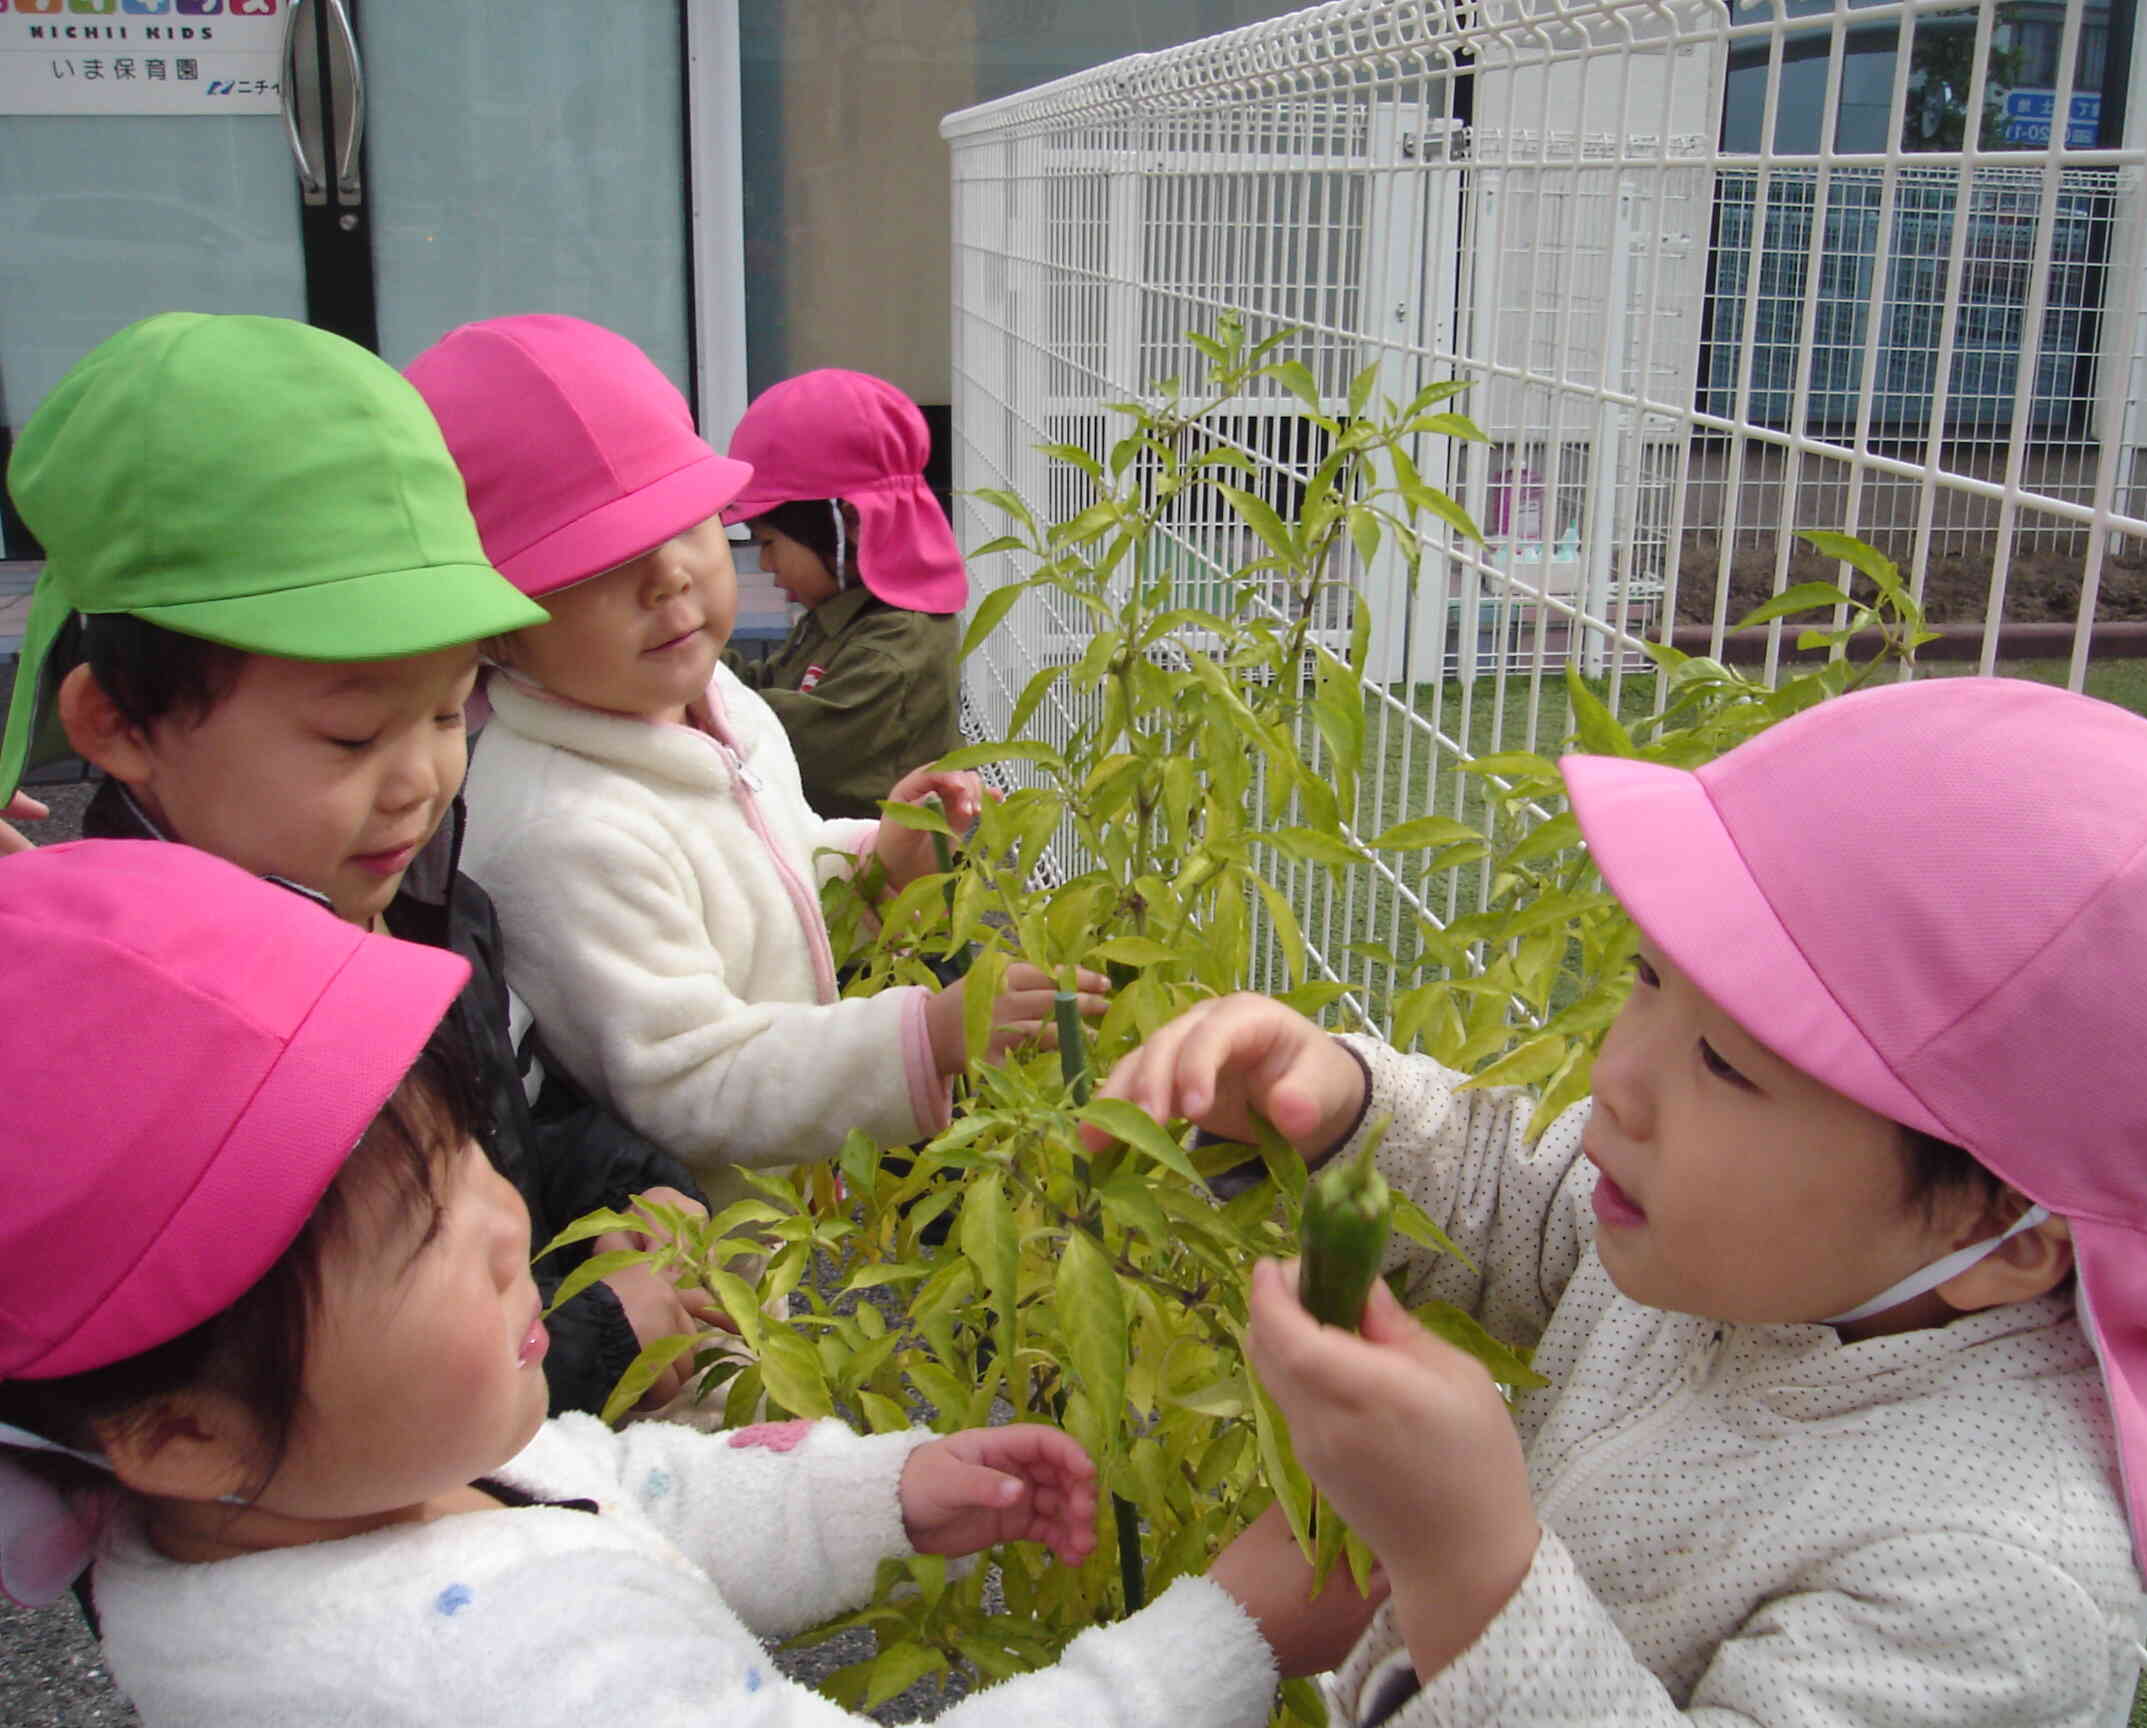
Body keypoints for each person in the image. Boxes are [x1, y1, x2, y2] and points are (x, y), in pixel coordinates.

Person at [1094, 676, 2147, 1726]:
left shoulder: (1989, 1581)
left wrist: (1470, 1571)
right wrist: (1338, 1106)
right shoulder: (1724, 1246)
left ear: (2003, 1232)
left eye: (1726, 1064)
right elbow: (1519, 1198)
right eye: (1646, 977)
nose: (1618, 1075)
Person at [0, 840, 1289, 1726]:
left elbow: (616, 1483)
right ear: (180, 1432)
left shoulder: (333, 1488)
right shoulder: (493, 1677)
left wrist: (871, 1496)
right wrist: (1228, 1638)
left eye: (468, 1158)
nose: (509, 1221)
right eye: (423, 1229)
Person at [0, 312, 711, 1420]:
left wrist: (633, 1193)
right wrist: (596, 1340)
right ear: (120, 722)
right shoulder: (142, 1056)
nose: (419, 780)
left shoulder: (426, 900)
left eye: (449, 710)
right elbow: (290, 1421)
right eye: (350, 737)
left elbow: (525, 1112)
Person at [406, 316, 1100, 1196]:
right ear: (495, 626)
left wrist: (870, 860)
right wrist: (924, 1038)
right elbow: (689, 1076)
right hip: (709, 1246)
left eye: (687, 522)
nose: (671, 575)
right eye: (600, 562)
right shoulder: (563, 835)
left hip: (784, 1190)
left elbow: (769, 864)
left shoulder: (713, 699)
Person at [721, 369, 965, 820]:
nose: (766, 564)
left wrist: (682, 687)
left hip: (874, 862)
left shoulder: (891, 649)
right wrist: (696, 662)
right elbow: (769, 684)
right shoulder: (845, 613)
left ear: (849, 523)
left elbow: (770, 738)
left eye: (769, 542)